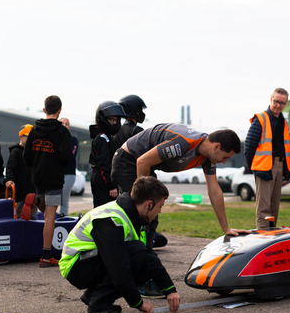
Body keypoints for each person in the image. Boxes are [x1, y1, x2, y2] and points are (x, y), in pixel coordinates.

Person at [59, 176, 180, 313]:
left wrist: (170, 289)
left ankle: (94, 296)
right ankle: (98, 306)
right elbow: (118, 268)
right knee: (134, 253)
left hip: (90, 262)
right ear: (149, 204)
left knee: (141, 256)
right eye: (160, 206)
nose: (159, 211)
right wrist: (138, 303)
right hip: (75, 267)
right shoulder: (111, 219)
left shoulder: (134, 217)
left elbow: (149, 258)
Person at [111, 123, 247, 237]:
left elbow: (215, 191)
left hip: (145, 164)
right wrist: (144, 198)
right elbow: (142, 162)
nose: (224, 162)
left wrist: (226, 229)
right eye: (225, 157)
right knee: (139, 210)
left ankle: (143, 251)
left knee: (152, 213)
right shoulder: (183, 143)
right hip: (128, 160)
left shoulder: (208, 157)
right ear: (216, 146)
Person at [24, 95, 73, 267]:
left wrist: (37, 164)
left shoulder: (34, 130)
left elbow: (26, 155)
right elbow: (66, 156)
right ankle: (46, 256)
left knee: (45, 212)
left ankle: (37, 200)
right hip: (53, 178)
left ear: (44, 110)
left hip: (38, 177)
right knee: (50, 217)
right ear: (60, 110)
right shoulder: (62, 132)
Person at [245, 87, 290, 229]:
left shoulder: (283, 122)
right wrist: (252, 167)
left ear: (286, 104)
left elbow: (284, 147)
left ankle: (272, 236)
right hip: (264, 166)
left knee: (274, 206)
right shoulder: (260, 119)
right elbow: (249, 146)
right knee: (264, 207)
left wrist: (284, 169)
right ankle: (262, 237)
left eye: (282, 103)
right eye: (276, 101)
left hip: (279, 164)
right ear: (270, 99)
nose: (278, 105)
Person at [89, 101, 126, 208]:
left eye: (116, 120)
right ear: (103, 119)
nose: (114, 123)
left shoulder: (107, 137)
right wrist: (111, 186)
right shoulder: (102, 138)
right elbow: (104, 164)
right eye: (111, 119)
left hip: (102, 179)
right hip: (102, 181)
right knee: (103, 210)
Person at [5, 124, 38, 219]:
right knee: (20, 220)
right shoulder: (16, 152)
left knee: (33, 220)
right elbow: (10, 168)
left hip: (33, 195)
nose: (31, 139)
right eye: (29, 136)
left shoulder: (34, 153)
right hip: (20, 195)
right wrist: (10, 179)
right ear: (21, 136)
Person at [112, 94, 147, 160]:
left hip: (117, 167)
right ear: (135, 109)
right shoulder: (137, 130)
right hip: (132, 168)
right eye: (140, 109)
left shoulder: (116, 130)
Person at [59, 117, 79, 216]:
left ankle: (63, 219)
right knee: (52, 200)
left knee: (64, 200)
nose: (65, 125)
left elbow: (71, 156)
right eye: (62, 123)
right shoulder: (55, 139)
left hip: (69, 174)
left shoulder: (73, 140)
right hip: (56, 174)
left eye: (66, 124)